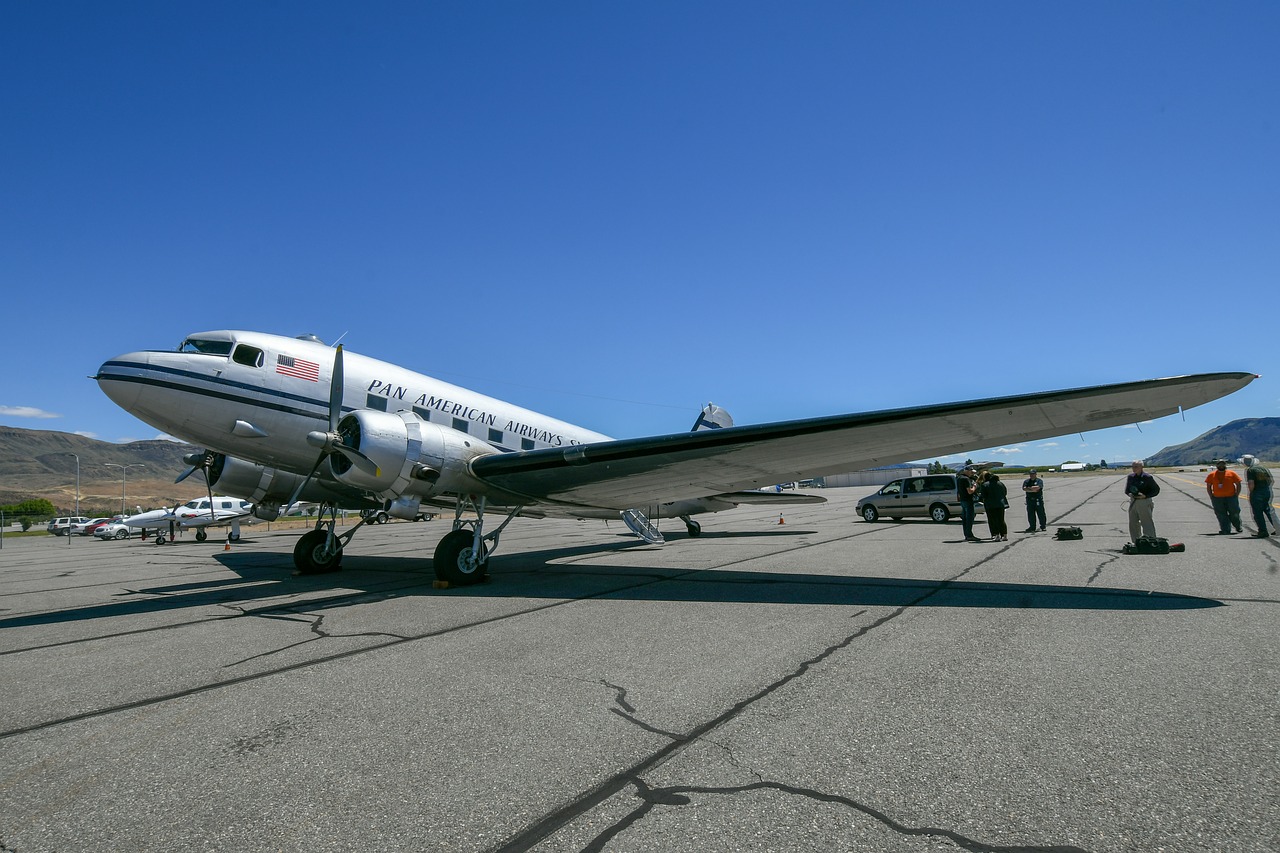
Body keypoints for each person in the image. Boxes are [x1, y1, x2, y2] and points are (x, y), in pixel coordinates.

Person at [1124, 460, 1160, 542]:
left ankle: (1151, 541)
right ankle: (1136, 541)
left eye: (1136, 466)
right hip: (1133, 501)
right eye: (1132, 466)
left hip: (1144, 501)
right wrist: (1131, 494)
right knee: (1133, 523)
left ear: (1141, 467)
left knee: (1146, 522)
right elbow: (1127, 490)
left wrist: (1145, 496)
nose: (1134, 468)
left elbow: (1156, 490)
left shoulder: (1147, 477)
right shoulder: (1130, 477)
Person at [1204, 459, 1243, 535]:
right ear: (1216, 465)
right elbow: (1208, 486)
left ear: (1225, 465)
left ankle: (1238, 526)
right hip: (1217, 498)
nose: (1221, 466)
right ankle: (1225, 529)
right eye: (1219, 464)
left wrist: (1236, 494)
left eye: (1223, 464)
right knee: (1221, 514)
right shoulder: (1211, 475)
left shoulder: (1232, 473)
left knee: (1234, 513)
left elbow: (1238, 484)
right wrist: (1211, 496)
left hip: (1231, 498)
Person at [1243, 454, 1275, 538]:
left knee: (1258, 513)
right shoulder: (1263, 468)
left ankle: (1263, 531)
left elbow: (1251, 483)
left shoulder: (1250, 470)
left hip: (1257, 493)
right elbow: (1270, 480)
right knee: (1267, 511)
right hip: (1266, 491)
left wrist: (1252, 492)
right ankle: (1274, 529)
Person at [980, 472, 1009, 541]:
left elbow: (983, 495)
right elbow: (1005, 492)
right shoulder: (1000, 483)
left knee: (993, 520)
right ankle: (1004, 535)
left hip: (990, 505)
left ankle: (996, 535)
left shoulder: (985, 485)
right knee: (1001, 520)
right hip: (1001, 504)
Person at [956, 466, 980, 542]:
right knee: (969, 518)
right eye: (971, 472)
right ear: (966, 471)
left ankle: (966, 534)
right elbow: (970, 491)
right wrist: (975, 486)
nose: (972, 473)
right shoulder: (966, 479)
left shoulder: (959, 478)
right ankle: (969, 535)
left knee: (965, 519)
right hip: (968, 500)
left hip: (963, 500)